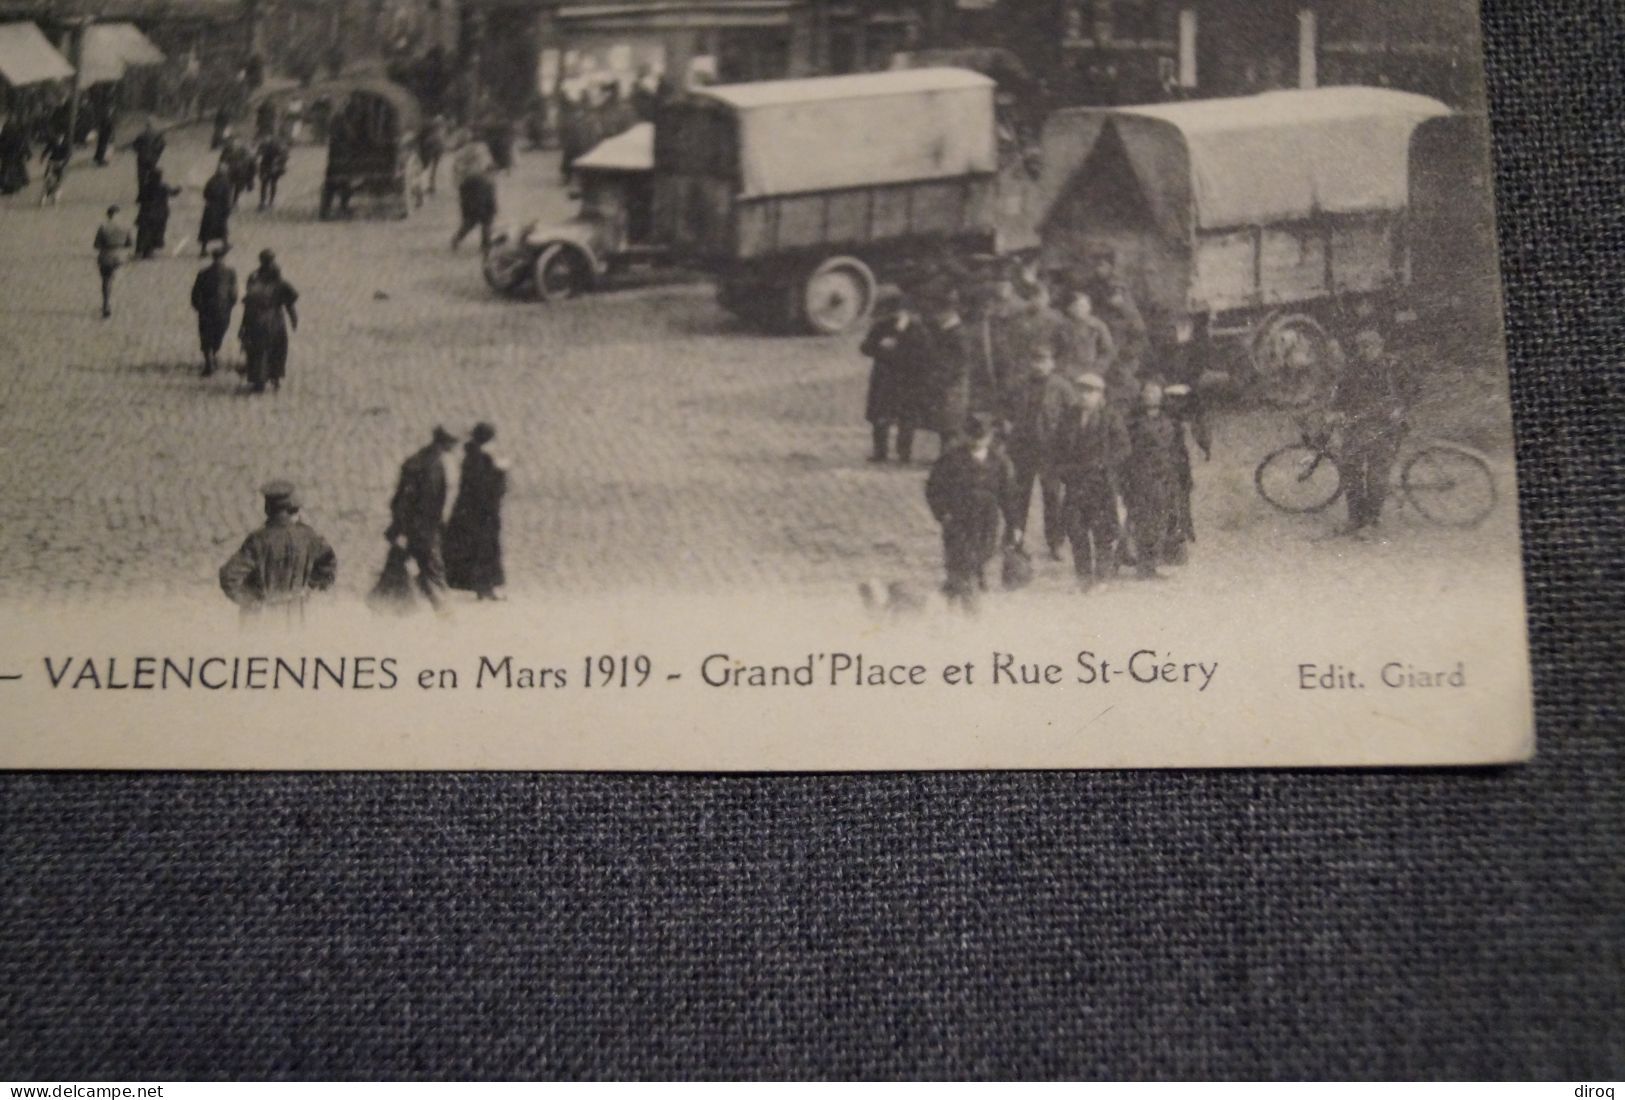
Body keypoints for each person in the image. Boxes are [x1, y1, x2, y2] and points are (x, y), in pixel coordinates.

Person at [925, 412, 1015, 612]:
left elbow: (1008, 495)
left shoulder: (999, 461)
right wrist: (943, 514)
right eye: (974, 436)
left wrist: (1014, 524)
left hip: (987, 519)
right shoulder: (951, 459)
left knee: (983, 553)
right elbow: (934, 489)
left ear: (991, 437)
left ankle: (954, 589)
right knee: (960, 558)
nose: (978, 441)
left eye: (983, 437)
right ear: (966, 436)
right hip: (958, 518)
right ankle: (968, 604)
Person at [1329, 327, 1412, 537]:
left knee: (1377, 475)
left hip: (1386, 426)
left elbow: (1414, 388)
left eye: (1371, 346)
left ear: (1380, 346)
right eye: (1362, 347)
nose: (1367, 351)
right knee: (1350, 471)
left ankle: (1371, 522)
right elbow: (1341, 392)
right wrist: (1336, 411)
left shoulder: (1393, 366)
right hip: (1356, 426)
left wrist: (1401, 408)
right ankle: (1355, 518)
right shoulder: (1353, 368)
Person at [1000, 341, 1079, 561]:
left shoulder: (1062, 387)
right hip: (1022, 449)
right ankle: (1014, 539)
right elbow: (1003, 409)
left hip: (1050, 452)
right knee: (1018, 496)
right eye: (1035, 360)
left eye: (1044, 361)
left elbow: (1073, 416)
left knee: (1052, 497)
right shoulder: (1019, 385)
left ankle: (1055, 543)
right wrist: (1006, 424)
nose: (1039, 365)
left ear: (1052, 363)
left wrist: (1066, 444)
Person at [1054, 371, 1131, 592]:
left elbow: (1123, 448)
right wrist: (1063, 470)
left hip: (1100, 484)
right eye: (1082, 391)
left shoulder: (1110, 417)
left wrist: (1104, 464)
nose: (1085, 396)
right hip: (1075, 483)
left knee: (1102, 532)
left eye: (1091, 392)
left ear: (1100, 394)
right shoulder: (1069, 416)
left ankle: (1102, 578)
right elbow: (1058, 446)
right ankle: (1083, 577)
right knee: (1076, 530)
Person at [218, 480, 337, 620]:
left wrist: (248, 600)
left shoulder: (258, 540)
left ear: (267, 509)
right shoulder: (309, 536)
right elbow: (328, 564)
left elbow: (229, 576)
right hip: (299, 613)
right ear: (292, 508)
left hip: (263, 616)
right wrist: (310, 586)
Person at [386, 426, 462, 613]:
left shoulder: (420, 460)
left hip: (416, 527)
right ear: (446, 443)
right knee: (433, 569)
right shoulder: (432, 466)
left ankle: (396, 609)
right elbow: (423, 502)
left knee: (415, 567)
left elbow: (400, 499)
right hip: (424, 528)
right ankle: (445, 615)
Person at [860, 291, 931, 464]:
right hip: (884, 377)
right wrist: (881, 345)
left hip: (907, 378)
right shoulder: (882, 326)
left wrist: (897, 340)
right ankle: (880, 452)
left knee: (906, 418)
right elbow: (865, 348)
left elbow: (923, 352)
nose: (899, 315)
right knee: (880, 417)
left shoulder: (917, 329)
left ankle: (904, 453)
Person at [444, 422, 510, 601]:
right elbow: (487, 489)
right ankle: (485, 588)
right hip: (481, 515)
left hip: (469, 513)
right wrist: (501, 472)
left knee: (475, 550)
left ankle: (483, 587)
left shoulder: (473, 457)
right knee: (483, 550)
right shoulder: (481, 459)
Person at [1123, 380, 1180, 579]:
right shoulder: (1133, 423)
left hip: (1161, 477)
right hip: (1139, 476)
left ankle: (1150, 564)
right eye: (1147, 392)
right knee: (1140, 520)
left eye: (1155, 392)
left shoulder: (1167, 422)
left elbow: (1172, 451)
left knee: (1158, 520)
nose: (1150, 396)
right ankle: (1140, 564)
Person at [1161, 382, 1210, 563]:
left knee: (1178, 503)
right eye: (1173, 400)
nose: (1176, 404)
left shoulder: (1185, 423)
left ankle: (1177, 547)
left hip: (1179, 465)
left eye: (1179, 401)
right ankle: (1174, 548)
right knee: (1175, 504)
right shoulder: (1173, 421)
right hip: (1172, 465)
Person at [239, 249, 299, 394]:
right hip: (275, 319)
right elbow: (290, 302)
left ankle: (258, 380)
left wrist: (244, 324)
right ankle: (275, 377)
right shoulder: (278, 278)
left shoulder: (253, 277)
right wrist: (293, 319)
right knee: (277, 347)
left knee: (257, 349)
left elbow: (248, 302)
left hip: (255, 318)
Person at [190, 241, 238, 376]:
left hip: (206, 308)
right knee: (219, 331)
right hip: (222, 309)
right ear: (223, 258)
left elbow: (196, 293)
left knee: (205, 333)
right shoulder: (230, 273)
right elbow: (233, 294)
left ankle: (208, 359)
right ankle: (213, 355)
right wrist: (229, 306)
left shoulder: (203, 273)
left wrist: (199, 307)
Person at [1058, 291, 1118, 394]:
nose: (1079, 309)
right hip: (1066, 372)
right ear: (1070, 309)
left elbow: (1108, 352)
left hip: (1090, 371)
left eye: (1083, 306)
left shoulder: (1097, 326)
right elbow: (1055, 349)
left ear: (1089, 308)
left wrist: (1096, 370)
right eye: (1076, 306)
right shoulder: (1063, 327)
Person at [93, 205, 133, 319]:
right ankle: (112, 300)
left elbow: (96, 245)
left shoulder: (103, 227)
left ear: (108, 215)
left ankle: (106, 303)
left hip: (106, 257)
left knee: (106, 280)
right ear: (118, 215)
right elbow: (129, 244)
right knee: (112, 277)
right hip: (119, 257)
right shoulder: (125, 227)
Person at [134, 167, 181, 258]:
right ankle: (150, 250)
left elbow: (139, 199)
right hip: (160, 213)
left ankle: (142, 249)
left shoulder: (145, 187)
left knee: (144, 232)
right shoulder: (163, 187)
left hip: (146, 212)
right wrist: (179, 188)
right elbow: (173, 193)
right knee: (156, 231)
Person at [452, 163, 498, 253]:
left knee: (469, 225)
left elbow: (462, 189)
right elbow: (490, 198)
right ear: (492, 172)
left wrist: (465, 205)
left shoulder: (474, 178)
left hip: (471, 207)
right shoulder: (488, 182)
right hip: (481, 207)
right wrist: (493, 208)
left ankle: (456, 239)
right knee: (486, 225)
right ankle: (485, 245)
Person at [199, 162, 234, 256]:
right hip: (220, 208)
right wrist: (228, 209)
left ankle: (203, 249)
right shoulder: (226, 182)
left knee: (206, 229)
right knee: (223, 226)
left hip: (210, 207)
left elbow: (205, 193)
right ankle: (225, 244)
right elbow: (227, 197)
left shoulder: (211, 180)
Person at [256, 133, 288, 210]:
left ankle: (271, 202)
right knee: (264, 184)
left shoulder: (276, 145)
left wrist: (277, 163)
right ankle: (262, 202)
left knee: (273, 184)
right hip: (264, 166)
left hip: (274, 167)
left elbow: (283, 155)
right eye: (263, 138)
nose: (265, 139)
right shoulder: (262, 145)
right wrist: (258, 159)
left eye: (266, 137)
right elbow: (258, 154)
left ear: (270, 137)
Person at [417, 113, 446, 197]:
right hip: (437, 147)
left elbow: (422, 139)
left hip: (431, 147)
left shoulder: (428, 125)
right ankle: (431, 186)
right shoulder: (438, 128)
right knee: (433, 169)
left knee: (427, 168)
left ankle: (426, 186)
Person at [131, 120, 165, 191]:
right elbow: (162, 145)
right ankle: (151, 193)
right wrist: (157, 154)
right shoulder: (158, 134)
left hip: (142, 158)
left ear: (146, 126)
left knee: (141, 177)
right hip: (152, 158)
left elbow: (134, 145)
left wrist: (139, 151)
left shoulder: (141, 134)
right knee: (153, 175)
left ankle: (141, 194)